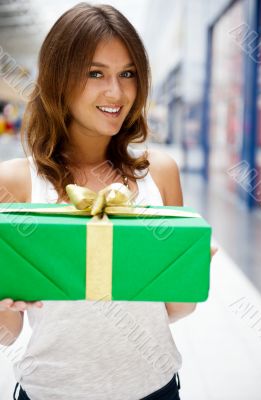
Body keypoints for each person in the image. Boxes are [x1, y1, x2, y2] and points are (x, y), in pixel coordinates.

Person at [0, 3, 216, 399]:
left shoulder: (160, 174)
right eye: (95, 73)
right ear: (58, 79)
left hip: (155, 389)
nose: (116, 92)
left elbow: (175, 311)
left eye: (127, 74)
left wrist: (190, 269)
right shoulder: (16, 181)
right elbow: (7, 332)